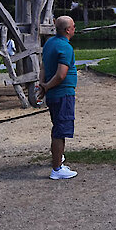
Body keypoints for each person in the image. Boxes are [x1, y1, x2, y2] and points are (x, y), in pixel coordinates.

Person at [39, 15, 78, 179]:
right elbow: (61, 75)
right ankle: (57, 169)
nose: (75, 28)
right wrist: (46, 86)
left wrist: (42, 85)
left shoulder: (50, 43)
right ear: (68, 30)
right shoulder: (65, 47)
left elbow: (43, 67)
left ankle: (58, 159)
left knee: (57, 127)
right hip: (62, 94)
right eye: (74, 26)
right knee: (60, 131)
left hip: (54, 94)